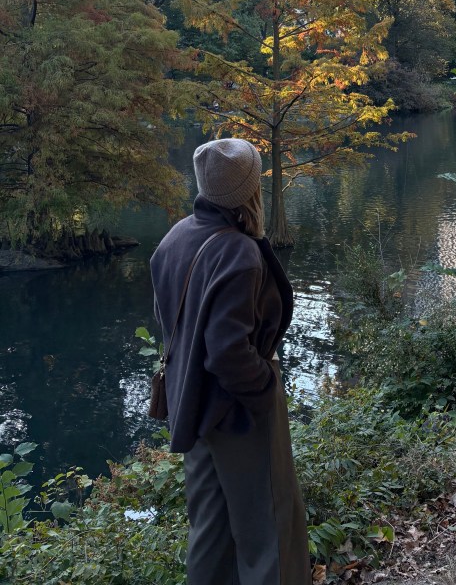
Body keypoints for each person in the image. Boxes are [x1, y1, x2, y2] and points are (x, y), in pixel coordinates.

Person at [150, 137, 311, 585]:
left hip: (193, 405)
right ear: (249, 188)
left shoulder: (175, 237)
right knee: (269, 531)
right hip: (238, 411)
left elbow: (170, 321)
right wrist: (264, 389)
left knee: (210, 532)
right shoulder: (238, 252)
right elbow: (227, 351)